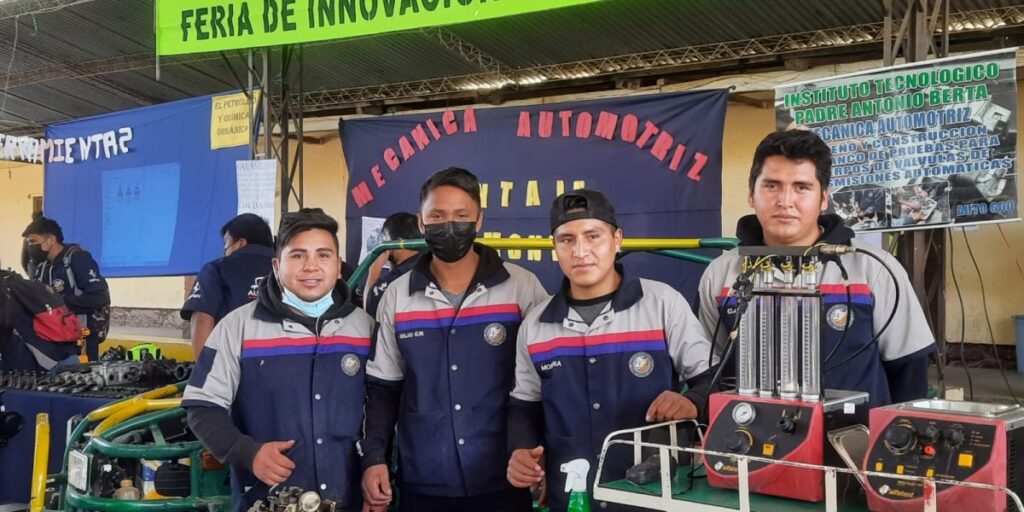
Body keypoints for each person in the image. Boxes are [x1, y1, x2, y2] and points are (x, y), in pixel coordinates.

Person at [505, 190, 715, 512]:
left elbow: (713, 384)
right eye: (566, 240)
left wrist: (691, 401)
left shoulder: (662, 303)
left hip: (656, 496)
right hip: (574, 498)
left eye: (593, 236)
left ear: (617, 240)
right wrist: (520, 449)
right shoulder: (536, 323)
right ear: (554, 247)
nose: (580, 251)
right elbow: (524, 406)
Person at [697, 130, 936, 409]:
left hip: (852, 444)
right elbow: (709, 373)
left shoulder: (872, 269)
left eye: (802, 187)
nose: (785, 201)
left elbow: (908, 370)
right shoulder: (721, 274)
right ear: (751, 194)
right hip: (752, 442)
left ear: (823, 198)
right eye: (771, 186)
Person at [360, 167, 548, 512]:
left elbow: (547, 380)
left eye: (461, 216)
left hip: (505, 477)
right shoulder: (398, 297)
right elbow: (384, 390)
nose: (449, 226)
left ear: (479, 221)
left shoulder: (522, 288)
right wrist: (374, 458)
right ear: (421, 222)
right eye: (437, 216)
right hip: (425, 480)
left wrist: (543, 453)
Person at [182, 208, 373, 512]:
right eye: (297, 256)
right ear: (276, 264)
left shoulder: (365, 328)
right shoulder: (238, 327)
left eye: (323, 255)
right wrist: (246, 452)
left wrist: (375, 466)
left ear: (338, 266)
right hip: (265, 499)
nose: (311, 266)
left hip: (349, 497)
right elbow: (201, 407)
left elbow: (382, 409)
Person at [180, 214, 275, 358]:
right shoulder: (289, 269)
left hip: (232, 365)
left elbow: (202, 318)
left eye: (226, 243)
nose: (225, 250)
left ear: (241, 243)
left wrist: (206, 371)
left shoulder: (216, 269)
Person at [22, 215, 110, 361]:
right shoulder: (42, 267)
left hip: (80, 340)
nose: (30, 247)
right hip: (52, 339)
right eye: (28, 243)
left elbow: (99, 298)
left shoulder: (77, 259)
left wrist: (58, 303)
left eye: (33, 241)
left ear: (50, 240)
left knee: (81, 382)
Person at [362, 212, 420, 318]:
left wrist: (374, 270)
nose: (383, 243)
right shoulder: (429, 262)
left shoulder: (399, 276)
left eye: (386, 238)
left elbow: (369, 310)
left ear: (398, 242)